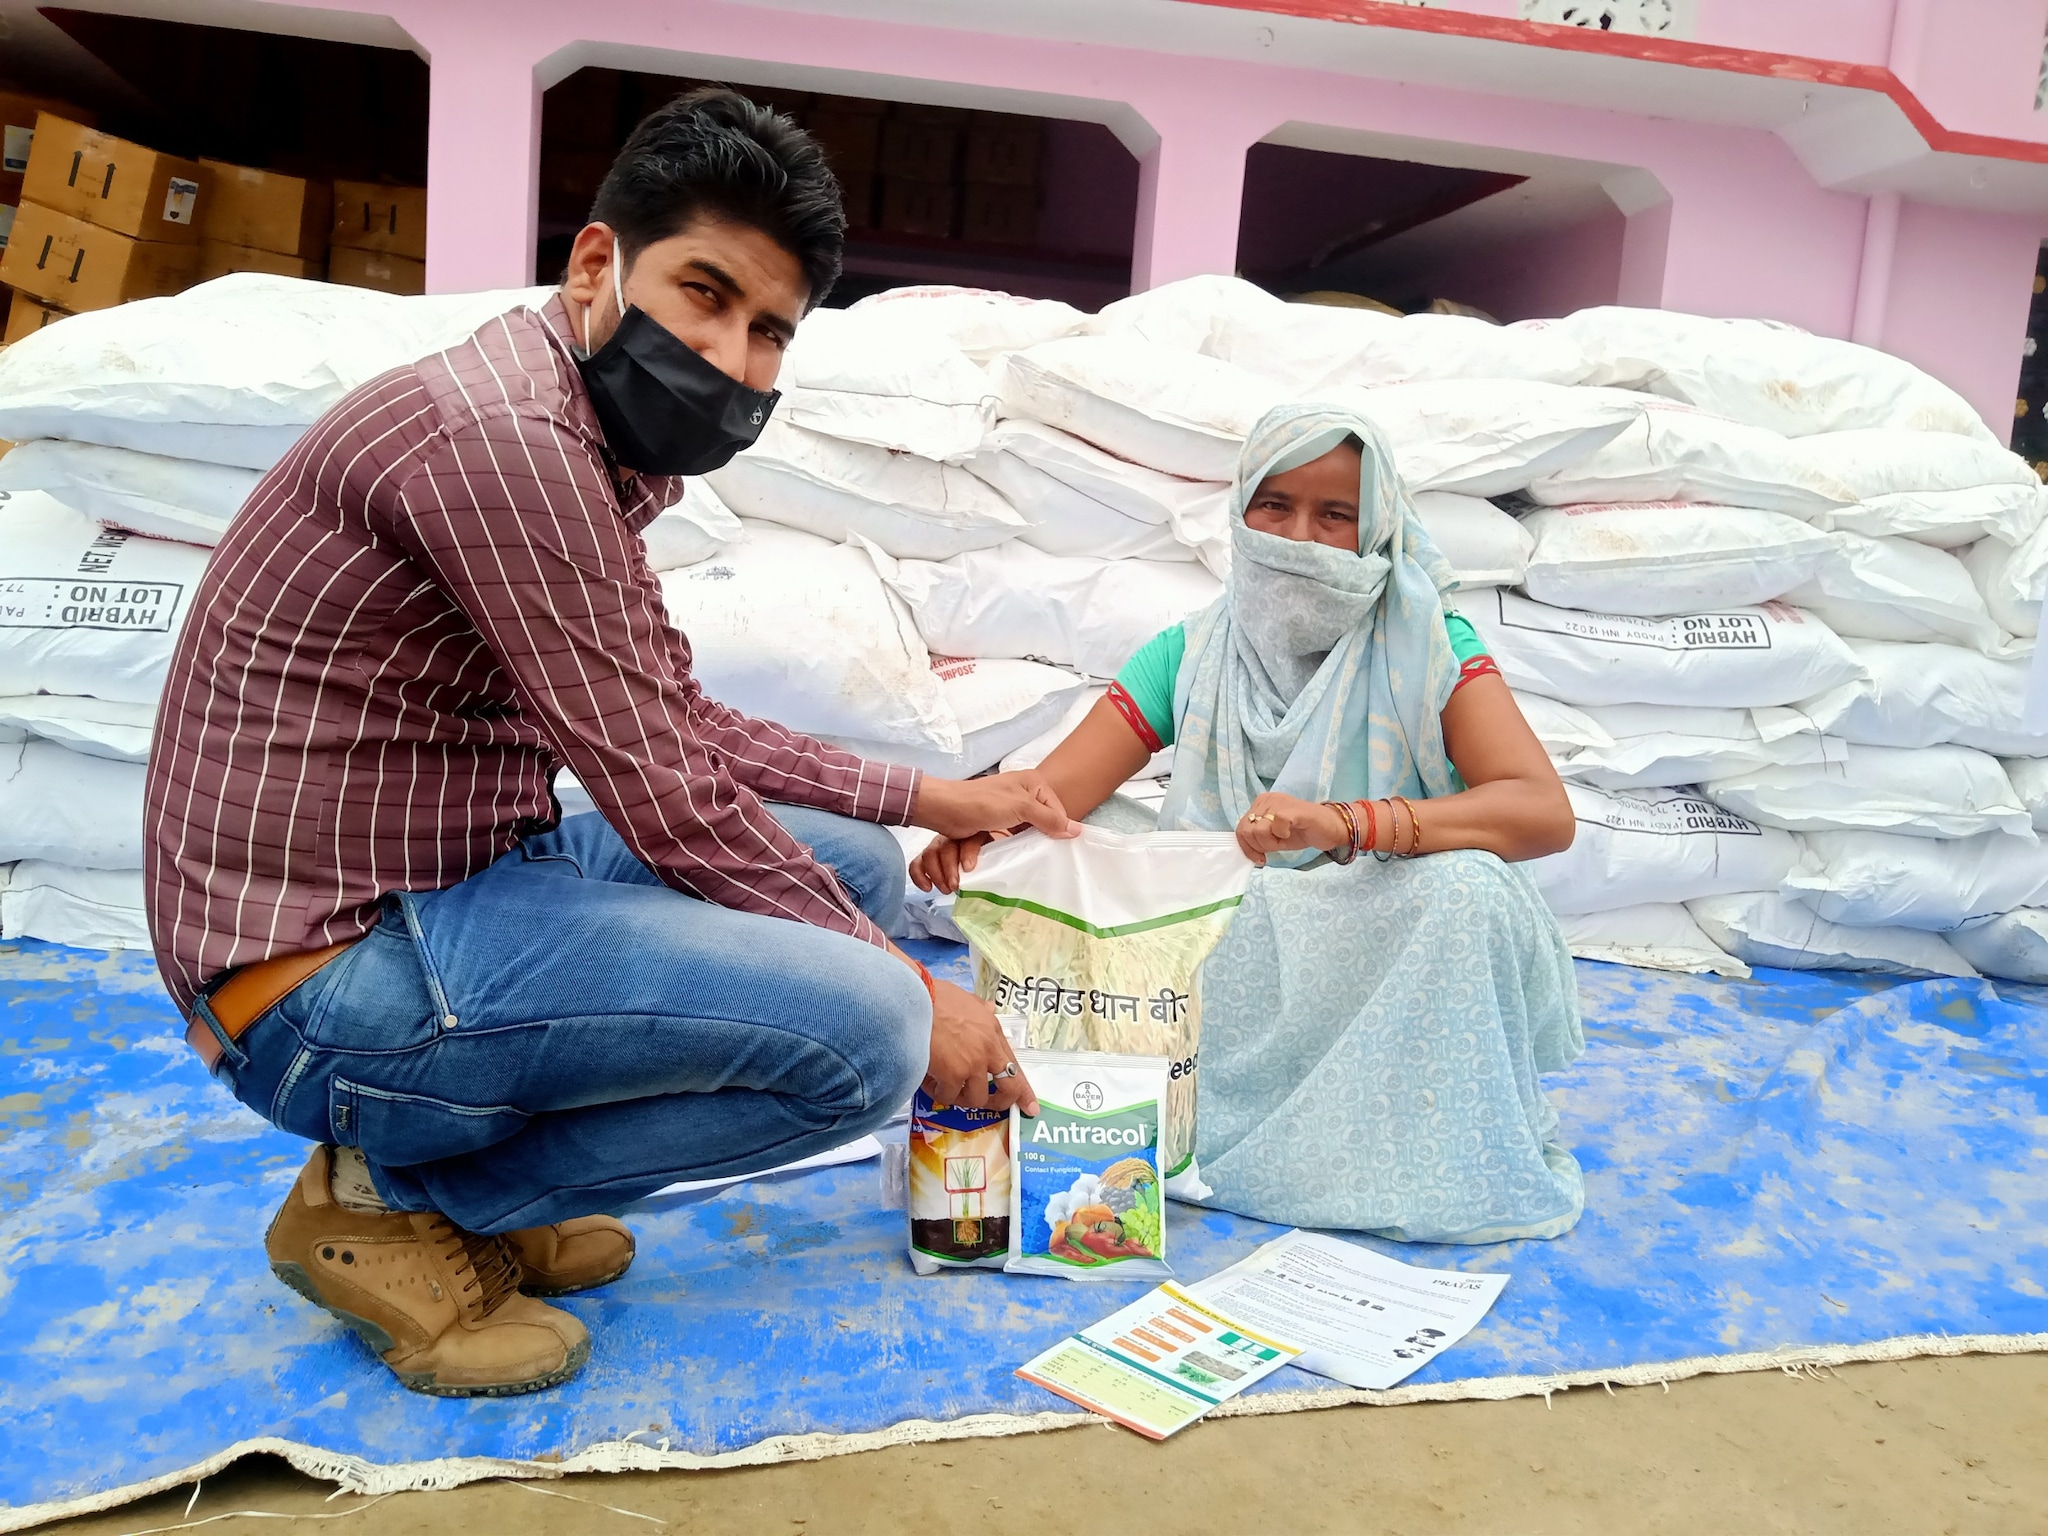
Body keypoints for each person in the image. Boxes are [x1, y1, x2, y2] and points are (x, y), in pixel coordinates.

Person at [143, 89, 1069, 1399]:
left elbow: (673, 718)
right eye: (705, 295)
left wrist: (933, 790)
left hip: (441, 891)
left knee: (849, 868)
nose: (735, 360)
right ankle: (409, 1198)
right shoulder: (508, 446)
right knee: (868, 1029)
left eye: (767, 334)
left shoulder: (565, 433)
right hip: (314, 980)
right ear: (597, 266)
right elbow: (663, 790)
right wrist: (919, 997)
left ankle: (441, 1186)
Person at [913, 404, 1588, 1244]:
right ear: (1240, 512)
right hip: (1215, 955)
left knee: (1468, 889)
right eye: (1275, 505)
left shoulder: (1431, 645)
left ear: (1376, 529)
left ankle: (1386, 1159)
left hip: (1367, 944)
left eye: (1334, 515)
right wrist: (983, 831)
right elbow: (1056, 794)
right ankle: (1162, 1118)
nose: (1299, 535)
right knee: (1077, 844)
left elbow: (1540, 810)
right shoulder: (1190, 653)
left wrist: (1345, 822)